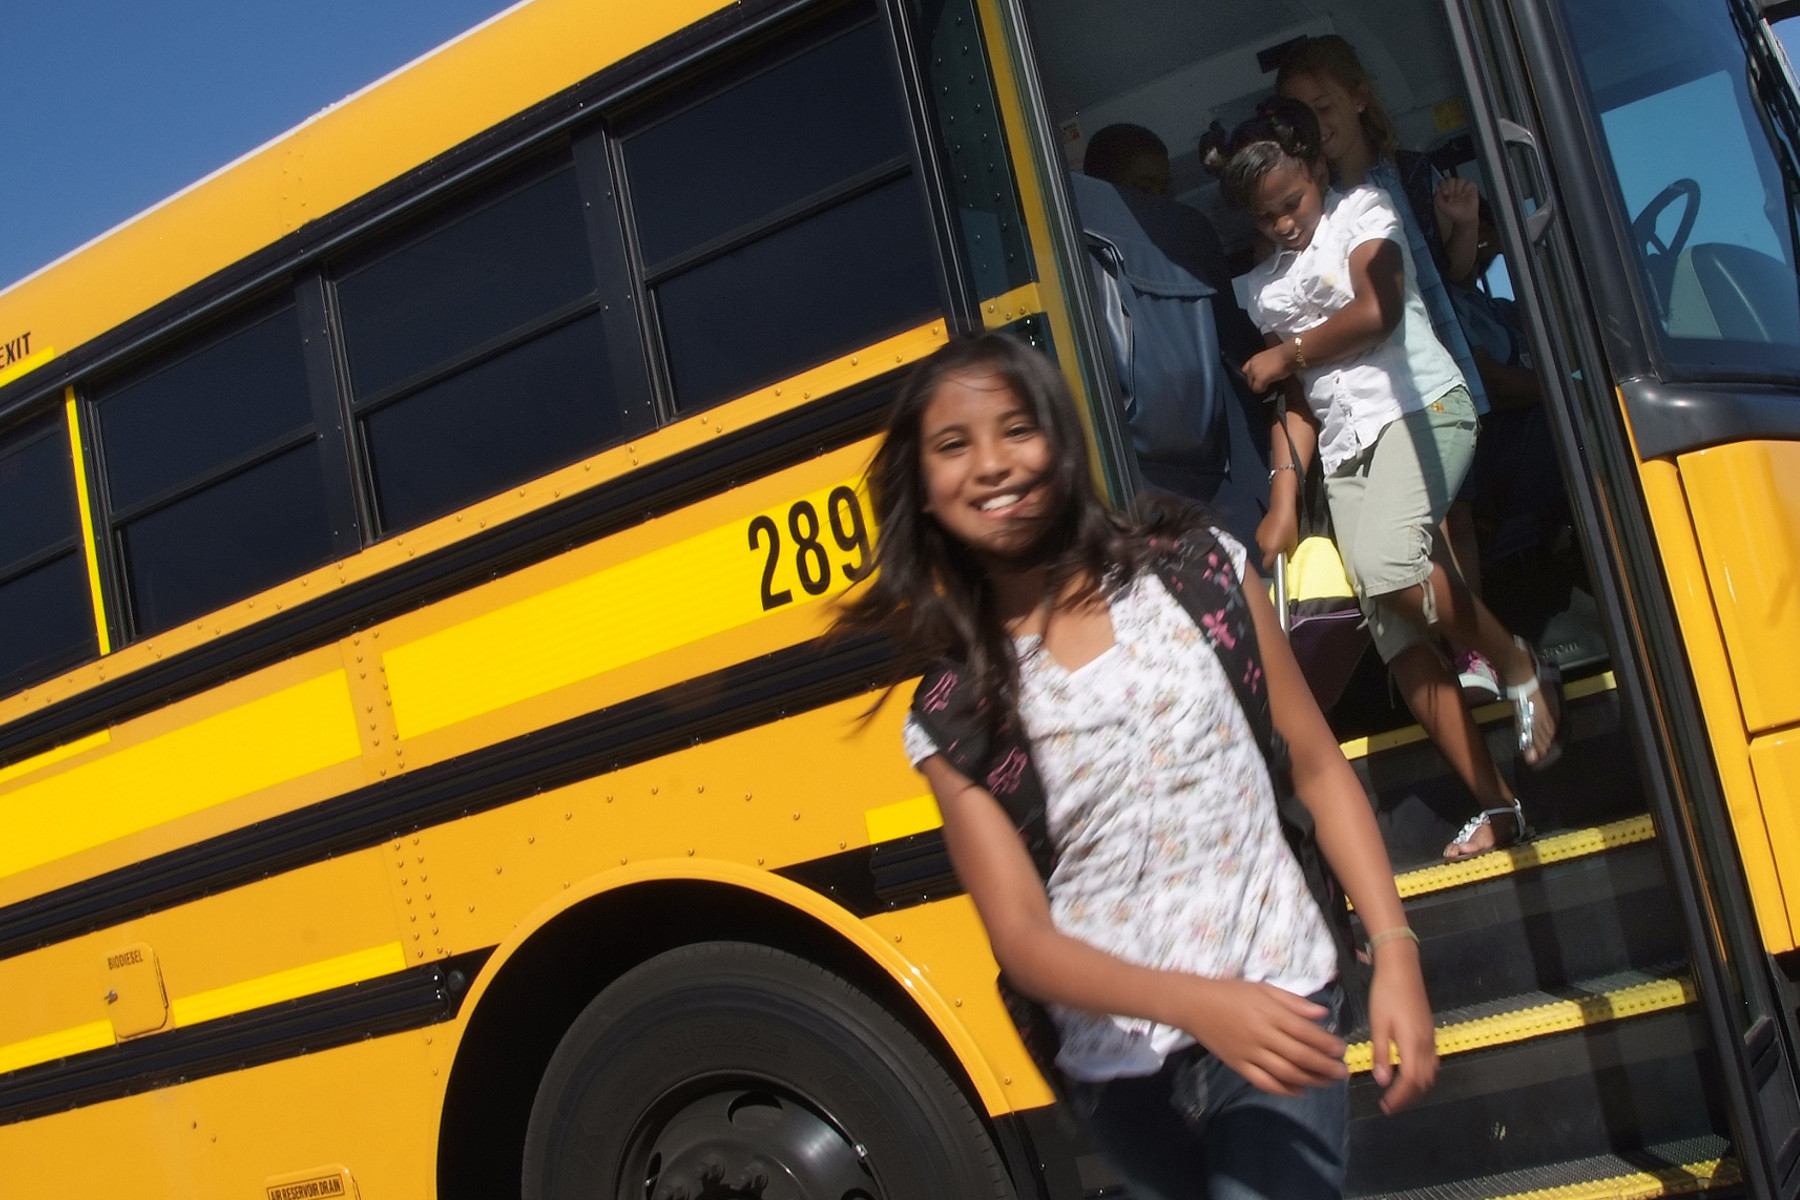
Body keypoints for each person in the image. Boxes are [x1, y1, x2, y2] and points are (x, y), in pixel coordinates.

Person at [835, 332, 1437, 1199]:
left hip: (1277, 1000)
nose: (993, 463)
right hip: (1122, 1084)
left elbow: (1314, 766)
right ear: (924, 490)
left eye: (1017, 429)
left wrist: (1395, 949)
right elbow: (1023, 941)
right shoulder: (955, 713)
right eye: (954, 445)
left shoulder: (1198, 573)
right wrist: (1193, 1003)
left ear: (1061, 442)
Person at [1208, 98, 1564, 859]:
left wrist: (1289, 352)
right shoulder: (1264, 286)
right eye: (1265, 216)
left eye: (1292, 202)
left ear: (1319, 170)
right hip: (1346, 454)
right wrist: (1282, 498)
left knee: (1390, 567)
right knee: (1398, 639)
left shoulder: (1363, 213)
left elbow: (1380, 309)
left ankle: (1517, 663)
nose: (1284, 224)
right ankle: (1500, 806)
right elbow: (1296, 403)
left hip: (1421, 411)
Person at [1275, 37, 1501, 702]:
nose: (1318, 124)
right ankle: (1448, 652)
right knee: (1413, 528)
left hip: (1439, 358)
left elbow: (1455, 273)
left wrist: (1463, 227)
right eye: (1303, 117)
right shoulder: (1317, 206)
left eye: (1324, 107)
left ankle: (1473, 652)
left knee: (1454, 512)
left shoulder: (1413, 175)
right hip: (1376, 385)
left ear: (1359, 99)